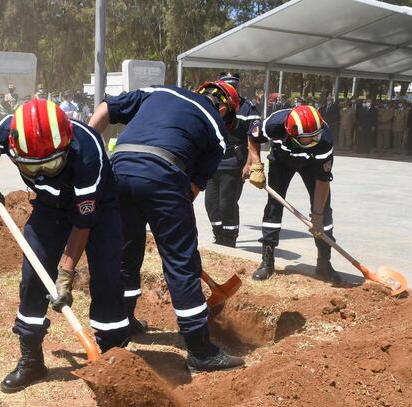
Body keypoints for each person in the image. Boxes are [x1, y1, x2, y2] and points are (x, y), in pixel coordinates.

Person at [88, 81, 245, 373]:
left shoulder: (158, 91)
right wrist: (171, 229)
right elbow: (191, 191)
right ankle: (200, 351)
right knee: (181, 262)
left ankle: (122, 326)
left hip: (118, 169)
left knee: (125, 253)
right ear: (224, 109)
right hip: (165, 175)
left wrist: (83, 151)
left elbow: (106, 109)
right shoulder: (217, 129)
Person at [0, 98, 130, 391]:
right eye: (34, 167)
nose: (43, 173)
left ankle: (114, 359)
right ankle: (31, 361)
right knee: (33, 277)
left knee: (108, 277)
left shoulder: (87, 152)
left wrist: (66, 273)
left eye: (50, 164)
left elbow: (83, 222)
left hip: (99, 208)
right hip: (49, 206)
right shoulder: (8, 131)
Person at [248, 105, 340, 284]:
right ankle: (267, 260)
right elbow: (252, 137)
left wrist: (318, 217)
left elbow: (322, 181)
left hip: (311, 165)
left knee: (325, 213)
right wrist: (256, 165)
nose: (315, 140)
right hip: (281, 162)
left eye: (317, 135)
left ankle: (324, 263)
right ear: (291, 133)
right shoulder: (274, 124)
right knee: (274, 207)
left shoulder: (325, 140)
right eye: (308, 138)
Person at [204, 72, 261, 248]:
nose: (231, 89)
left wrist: (250, 164)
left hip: (235, 163)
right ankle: (219, 236)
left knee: (226, 203)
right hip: (213, 163)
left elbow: (254, 139)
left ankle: (229, 239)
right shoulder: (213, 105)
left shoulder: (247, 108)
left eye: (234, 85)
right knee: (211, 204)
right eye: (227, 85)